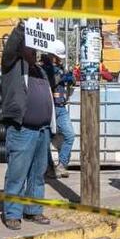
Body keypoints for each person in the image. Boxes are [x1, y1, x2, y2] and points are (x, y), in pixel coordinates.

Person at [0, 21, 54, 230]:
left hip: (42, 130)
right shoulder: (13, 65)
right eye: (30, 47)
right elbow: (10, 49)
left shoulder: (39, 70)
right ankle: (13, 213)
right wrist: (22, 28)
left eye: (35, 48)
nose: (34, 51)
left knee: (37, 174)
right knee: (17, 172)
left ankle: (33, 210)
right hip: (22, 129)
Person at [41, 39, 74, 179]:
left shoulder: (59, 69)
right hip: (49, 108)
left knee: (69, 135)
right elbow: (51, 81)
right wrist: (62, 76)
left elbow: (70, 80)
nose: (60, 60)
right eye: (58, 57)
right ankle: (49, 167)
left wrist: (69, 77)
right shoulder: (44, 69)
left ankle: (62, 165)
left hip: (60, 107)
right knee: (45, 139)